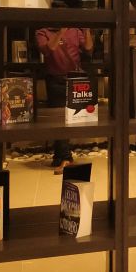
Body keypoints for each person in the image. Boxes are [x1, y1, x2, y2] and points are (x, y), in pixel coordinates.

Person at [35, 27, 93, 172]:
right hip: (55, 79)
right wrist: (60, 31)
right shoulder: (43, 32)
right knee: (59, 119)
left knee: (70, 118)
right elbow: (48, 49)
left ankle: (60, 157)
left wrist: (86, 30)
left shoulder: (75, 31)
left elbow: (88, 49)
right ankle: (66, 158)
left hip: (74, 78)